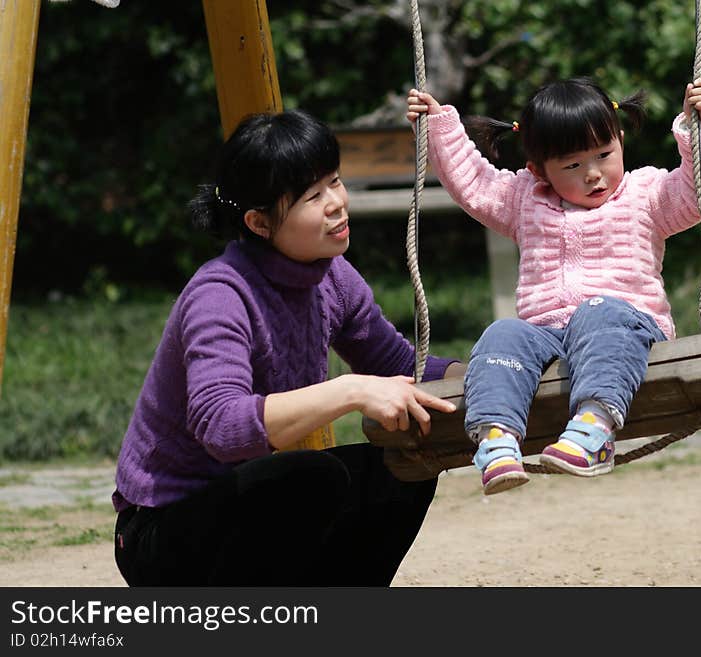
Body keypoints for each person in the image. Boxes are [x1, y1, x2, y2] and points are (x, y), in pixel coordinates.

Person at [112, 108, 464, 586]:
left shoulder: (333, 277)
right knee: (311, 478)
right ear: (259, 223)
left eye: (335, 182)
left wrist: (495, 374)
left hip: (239, 514)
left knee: (405, 462)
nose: (336, 203)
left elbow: (403, 366)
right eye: (312, 195)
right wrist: (351, 391)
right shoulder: (220, 295)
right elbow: (223, 427)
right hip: (161, 536)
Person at [406, 76, 701, 495]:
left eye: (604, 154)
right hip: (546, 335)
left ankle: (593, 428)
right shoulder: (525, 199)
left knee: (599, 310)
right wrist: (438, 127)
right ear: (539, 170)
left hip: (625, 325)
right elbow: (475, 184)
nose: (594, 174)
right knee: (502, 332)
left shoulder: (645, 194)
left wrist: (699, 132)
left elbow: (699, 194)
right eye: (573, 166)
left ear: (621, 140)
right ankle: (497, 440)